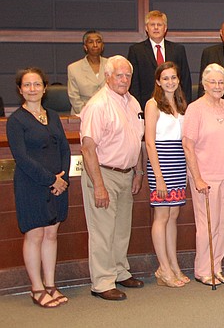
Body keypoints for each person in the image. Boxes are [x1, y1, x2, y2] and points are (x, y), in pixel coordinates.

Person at [80, 55, 145, 301]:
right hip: (104, 174)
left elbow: (136, 142)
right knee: (103, 231)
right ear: (107, 77)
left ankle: (119, 271)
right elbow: (88, 148)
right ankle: (102, 281)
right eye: (119, 75)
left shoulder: (132, 102)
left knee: (120, 230)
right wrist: (98, 185)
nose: (124, 80)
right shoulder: (98, 105)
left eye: (128, 75)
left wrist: (137, 172)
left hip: (127, 174)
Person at [7, 68, 71, 308]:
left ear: (45, 88)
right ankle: (36, 288)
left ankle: (51, 284)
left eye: (37, 84)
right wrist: (50, 179)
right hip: (31, 185)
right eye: (27, 85)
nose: (32, 89)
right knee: (35, 234)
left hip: (59, 185)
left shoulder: (53, 115)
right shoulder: (16, 121)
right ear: (20, 90)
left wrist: (62, 179)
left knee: (51, 234)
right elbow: (22, 158)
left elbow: (64, 148)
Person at [183, 63, 224, 286]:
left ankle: (216, 266)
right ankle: (203, 269)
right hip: (206, 178)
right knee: (207, 225)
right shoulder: (195, 109)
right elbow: (188, 146)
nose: (218, 86)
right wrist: (197, 177)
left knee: (222, 224)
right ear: (204, 84)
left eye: (221, 82)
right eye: (213, 82)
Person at [145, 62, 189, 288]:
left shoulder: (181, 104)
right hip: (161, 163)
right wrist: (158, 176)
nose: (170, 82)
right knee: (161, 217)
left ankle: (173, 264)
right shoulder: (152, 105)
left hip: (178, 163)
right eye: (165, 78)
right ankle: (163, 267)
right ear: (158, 81)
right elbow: (150, 143)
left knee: (173, 216)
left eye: (173, 77)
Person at [128, 10, 192, 109]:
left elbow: (185, 80)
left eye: (159, 25)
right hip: (146, 105)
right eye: (152, 25)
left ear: (165, 28)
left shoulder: (178, 49)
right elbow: (134, 84)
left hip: (175, 105)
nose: (156, 28)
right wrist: (138, 108)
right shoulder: (136, 51)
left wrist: (185, 106)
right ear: (146, 28)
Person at [67, 30, 108, 114]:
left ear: (102, 46)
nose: (95, 45)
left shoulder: (112, 64)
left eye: (98, 42)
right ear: (85, 47)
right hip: (82, 113)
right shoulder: (73, 68)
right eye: (91, 42)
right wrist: (88, 113)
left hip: (108, 113)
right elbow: (74, 97)